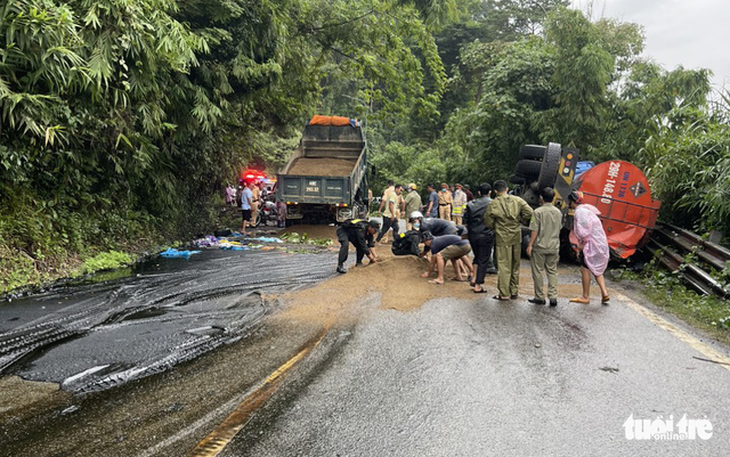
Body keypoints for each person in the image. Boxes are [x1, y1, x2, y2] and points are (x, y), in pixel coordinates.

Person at [484, 180, 533, 300]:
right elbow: (530, 212)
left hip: (502, 237)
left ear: (495, 191)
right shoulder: (518, 200)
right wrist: (520, 219)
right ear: (506, 189)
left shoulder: (494, 204)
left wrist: (496, 226)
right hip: (516, 235)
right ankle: (514, 291)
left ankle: (504, 293)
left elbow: (488, 221)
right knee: (515, 264)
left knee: (504, 265)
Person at [567, 191, 611, 304]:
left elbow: (583, 232)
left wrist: (580, 246)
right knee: (596, 269)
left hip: (590, 245)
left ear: (572, 201)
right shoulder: (587, 210)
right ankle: (604, 293)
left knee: (584, 269)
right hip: (600, 244)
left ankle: (585, 296)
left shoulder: (580, 212)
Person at [526, 187, 563, 306]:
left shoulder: (537, 212)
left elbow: (534, 230)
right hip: (554, 246)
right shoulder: (558, 212)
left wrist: (530, 244)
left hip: (540, 247)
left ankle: (539, 296)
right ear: (553, 198)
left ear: (541, 197)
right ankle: (553, 296)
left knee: (537, 271)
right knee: (552, 271)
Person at [464, 183, 495, 294]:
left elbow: (465, 221)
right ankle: (478, 285)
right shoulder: (493, 203)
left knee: (477, 256)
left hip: (473, 235)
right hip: (486, 234)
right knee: (483, 259)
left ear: (478, 192)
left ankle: (474, 277)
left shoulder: (470, 204)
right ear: (490, 192)